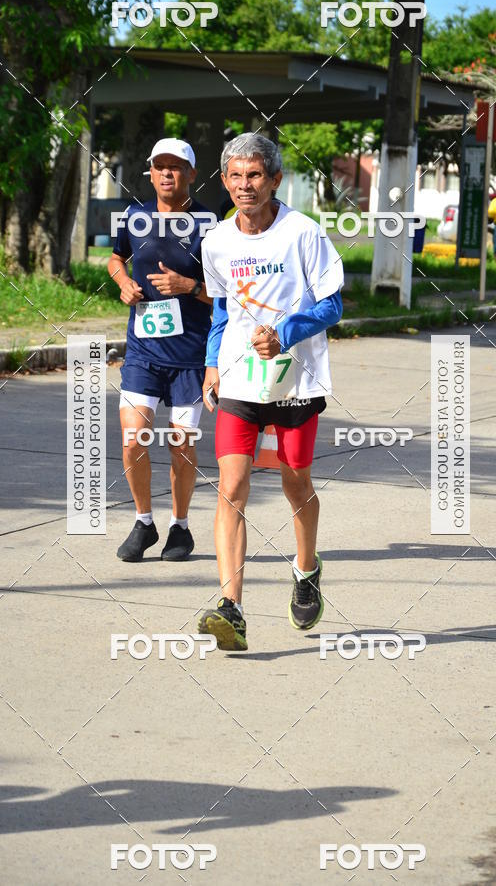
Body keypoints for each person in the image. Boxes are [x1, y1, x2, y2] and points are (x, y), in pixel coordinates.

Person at [197, 133, 343, 651]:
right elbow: (221, 312)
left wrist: (286, 333)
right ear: (225, 181)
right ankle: (231, 607)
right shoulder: (215, 241)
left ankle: (307, 569)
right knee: (231, 486)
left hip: (295, 379)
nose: (244, 186)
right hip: (239, 379)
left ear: (275, 179)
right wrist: (213, 364)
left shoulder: (303, 234)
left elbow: (332, 306)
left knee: (294, 482)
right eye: (235, 176)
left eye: (254, 175)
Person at [108, 138, 213, 563]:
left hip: (191, 356)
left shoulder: (211, 225)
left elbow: (230, 295)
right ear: (150, 173)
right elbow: (116, 259)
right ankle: (144, 521)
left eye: (176, 167)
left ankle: (180, 528)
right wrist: (123, 284)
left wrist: (191, 287)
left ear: (191, 173)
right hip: (143, 353)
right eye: (160, 167)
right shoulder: (134, 217)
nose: (167, 174)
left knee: (180, 444)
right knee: (134, 439)